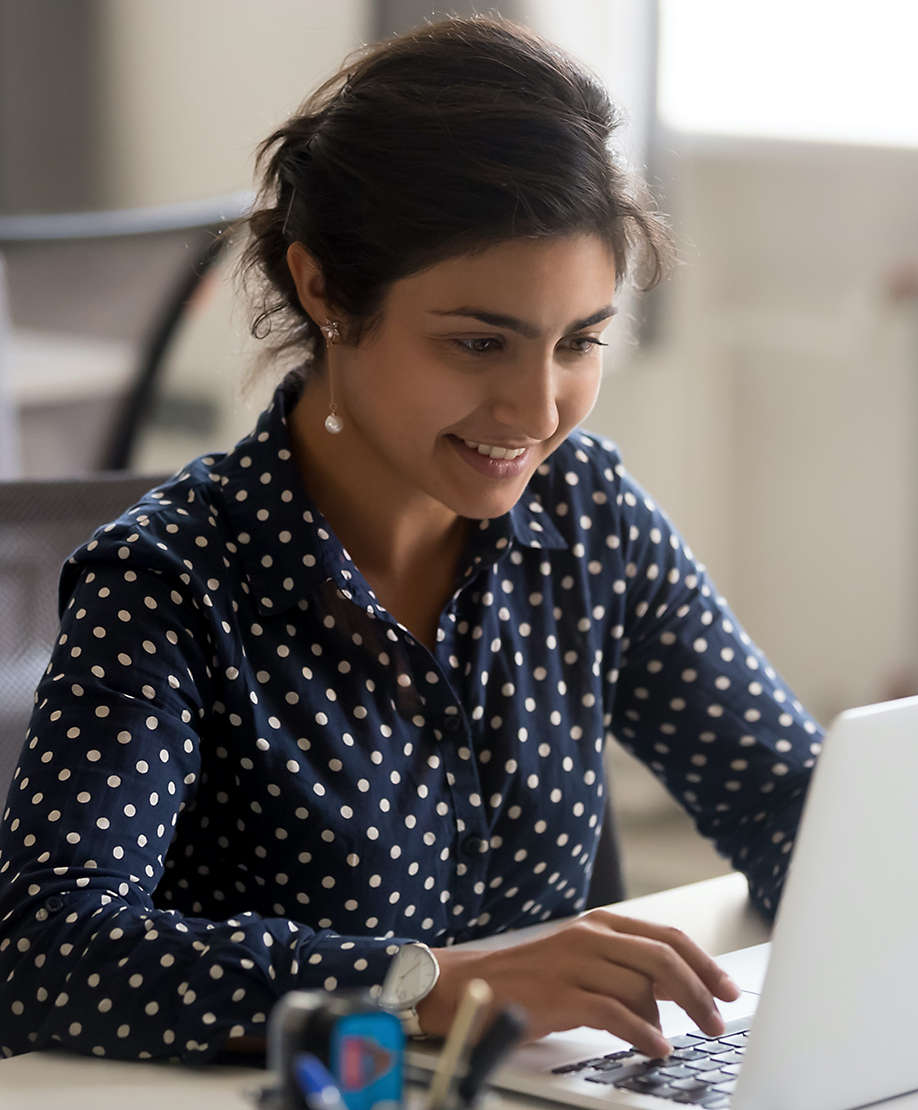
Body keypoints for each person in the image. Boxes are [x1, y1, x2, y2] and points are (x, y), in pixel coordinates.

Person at [0, 16, 820, 1064]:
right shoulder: (169, 583)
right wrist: (423, 985)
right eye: (478, 342)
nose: (536, 408)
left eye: (577, 343)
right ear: (325, 291)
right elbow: (44, 953)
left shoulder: (586, 516)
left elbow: (786, 800)